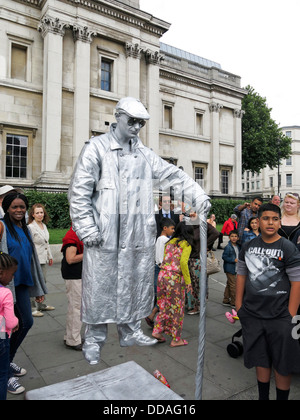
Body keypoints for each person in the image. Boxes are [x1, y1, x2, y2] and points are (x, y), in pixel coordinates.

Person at [68, 97, 210, 365]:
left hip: (137, 235)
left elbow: (173, 176)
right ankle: (94, 341)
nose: (135, 127)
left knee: (135, 284)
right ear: (117, 116)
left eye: (140, 123)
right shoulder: (96, 148)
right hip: (105, 235)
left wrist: (198, 197)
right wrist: (87, 229)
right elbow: (79, 192)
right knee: (100, 289)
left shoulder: (145, 154)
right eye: (131, 121)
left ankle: (131, 330)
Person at [236, 203, 300, 400]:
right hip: (253, 315)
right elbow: (241, 276)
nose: (270, 222)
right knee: (260, 360)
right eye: (265, 218)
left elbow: (297, 282)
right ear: (257, 221)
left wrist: (290, 314)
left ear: (279, 222)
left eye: (274, 218)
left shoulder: (287, 247)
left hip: (281, 317)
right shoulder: (248, 246)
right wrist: (239, 307)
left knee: (283, 363)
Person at [0, 192, 47, 394]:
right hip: (5, 289)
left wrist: (38, 288)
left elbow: (32, 260)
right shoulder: (1, 227)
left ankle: (7, 362)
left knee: (25, 323)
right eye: (14, 207)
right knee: (9, 329)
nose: (19, 210)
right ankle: (5, 372)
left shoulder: (24, 229)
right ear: (7, 208)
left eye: (22, 207)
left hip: (21, 285)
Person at [152, 222, 194, 347]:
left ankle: (158, 332)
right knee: (177, 308)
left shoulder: (169, 242)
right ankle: (176, 339)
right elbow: (183, 263)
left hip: (162, 275)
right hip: (174, 278)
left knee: (163, 304)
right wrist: (188, 282)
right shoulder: (186, 244)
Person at [187, 212, 219, 315]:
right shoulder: (189, 225)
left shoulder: (203, 225)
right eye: (190, 214)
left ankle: (199, 306)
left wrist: (205, 245)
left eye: (194, 213)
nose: (192, 215)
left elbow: (216, 233)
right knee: (192, 283)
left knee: (199, 284)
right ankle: (194, 305)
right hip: (190, 258)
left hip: (198, 259)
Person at [145, 218, 175, 328]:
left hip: (158, 267)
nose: (173, 231)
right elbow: (163, 256)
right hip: (162, 269)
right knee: (165, 295)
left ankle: (154, 316)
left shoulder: (159, 239)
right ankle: (155, 317)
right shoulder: (164, 240)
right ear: (165, 228)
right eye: (172, 228)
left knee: (161, 295)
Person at [27, 203, 55, 317]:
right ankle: (33, 308)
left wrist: (50, 256)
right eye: (37, 213)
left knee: (43, 281)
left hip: (43, 258)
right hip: (34, 259)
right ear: (32, 214)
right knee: (34, 283)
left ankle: (41, 305)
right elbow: (29, 244)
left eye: (41, 212)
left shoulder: (44, 225)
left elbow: (46, 243)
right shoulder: (30, 227)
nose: (40, 215)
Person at [61, 226, 84, 351]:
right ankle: (73, 340)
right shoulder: (72, 235)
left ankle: (70, 336)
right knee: (76, 308)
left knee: (75, 307)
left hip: (77, 275)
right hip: (74, 276)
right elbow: (70, 259)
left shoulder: (77, 233)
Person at [0, 252, 19, 400]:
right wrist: (16, 322)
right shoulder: (5, 293)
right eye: (12, 274)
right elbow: (11, 322)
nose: (13, 278)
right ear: (1, 273)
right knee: (2, 374)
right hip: (1, 338)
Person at [222, 230, 240, 308]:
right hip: (230, 269)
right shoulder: (228, 247)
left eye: (235, 236)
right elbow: (224, 257)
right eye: (232, 236)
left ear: (238, 238)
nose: (234, 238)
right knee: (233, 285)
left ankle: (226, 300)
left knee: (229, 284)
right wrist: (233, 260)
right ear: (229, 237)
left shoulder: (238, 246)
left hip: (235, 268)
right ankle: (233, 302)